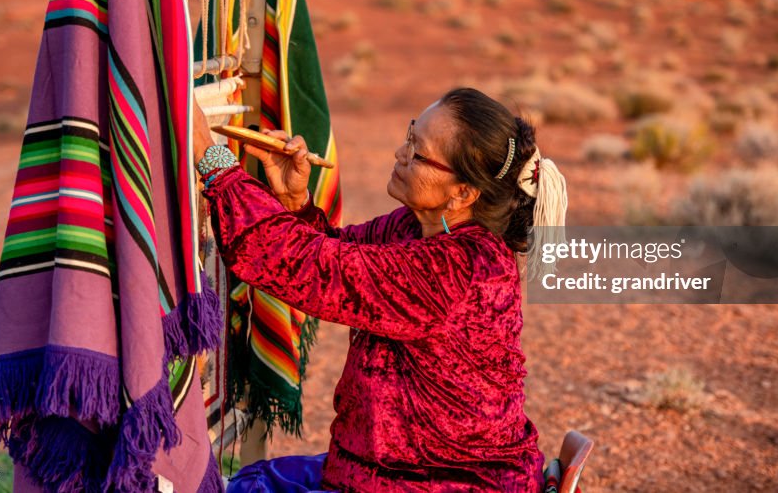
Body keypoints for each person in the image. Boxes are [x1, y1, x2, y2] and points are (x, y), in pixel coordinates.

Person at [192, 87, 568, 493]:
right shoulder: (414, 229)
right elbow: (336, 256)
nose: (399, 153)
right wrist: (294, 201)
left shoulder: (461, 269)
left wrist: (214, 163)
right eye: (409, 135)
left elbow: (306, 267)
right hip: (391, 469)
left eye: (417, 152)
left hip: (441, 481)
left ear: (463, 192)